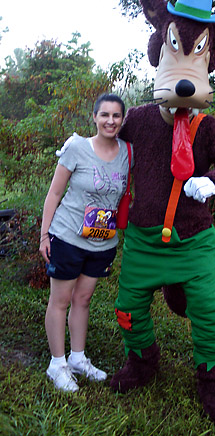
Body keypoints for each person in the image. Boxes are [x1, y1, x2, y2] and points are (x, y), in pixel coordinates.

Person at [39, 93, 131, 392]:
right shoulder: (78, 148)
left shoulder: (128, 152)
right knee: (61, 301)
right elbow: (54, 194)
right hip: (67, 236)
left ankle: (77, 359)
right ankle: (58, 364)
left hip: (102, 242)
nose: (110, 121)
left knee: (83, 299)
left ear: (122, 120)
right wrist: (44, 234)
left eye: (116, 116)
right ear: (94, 117)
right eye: (104, 115)